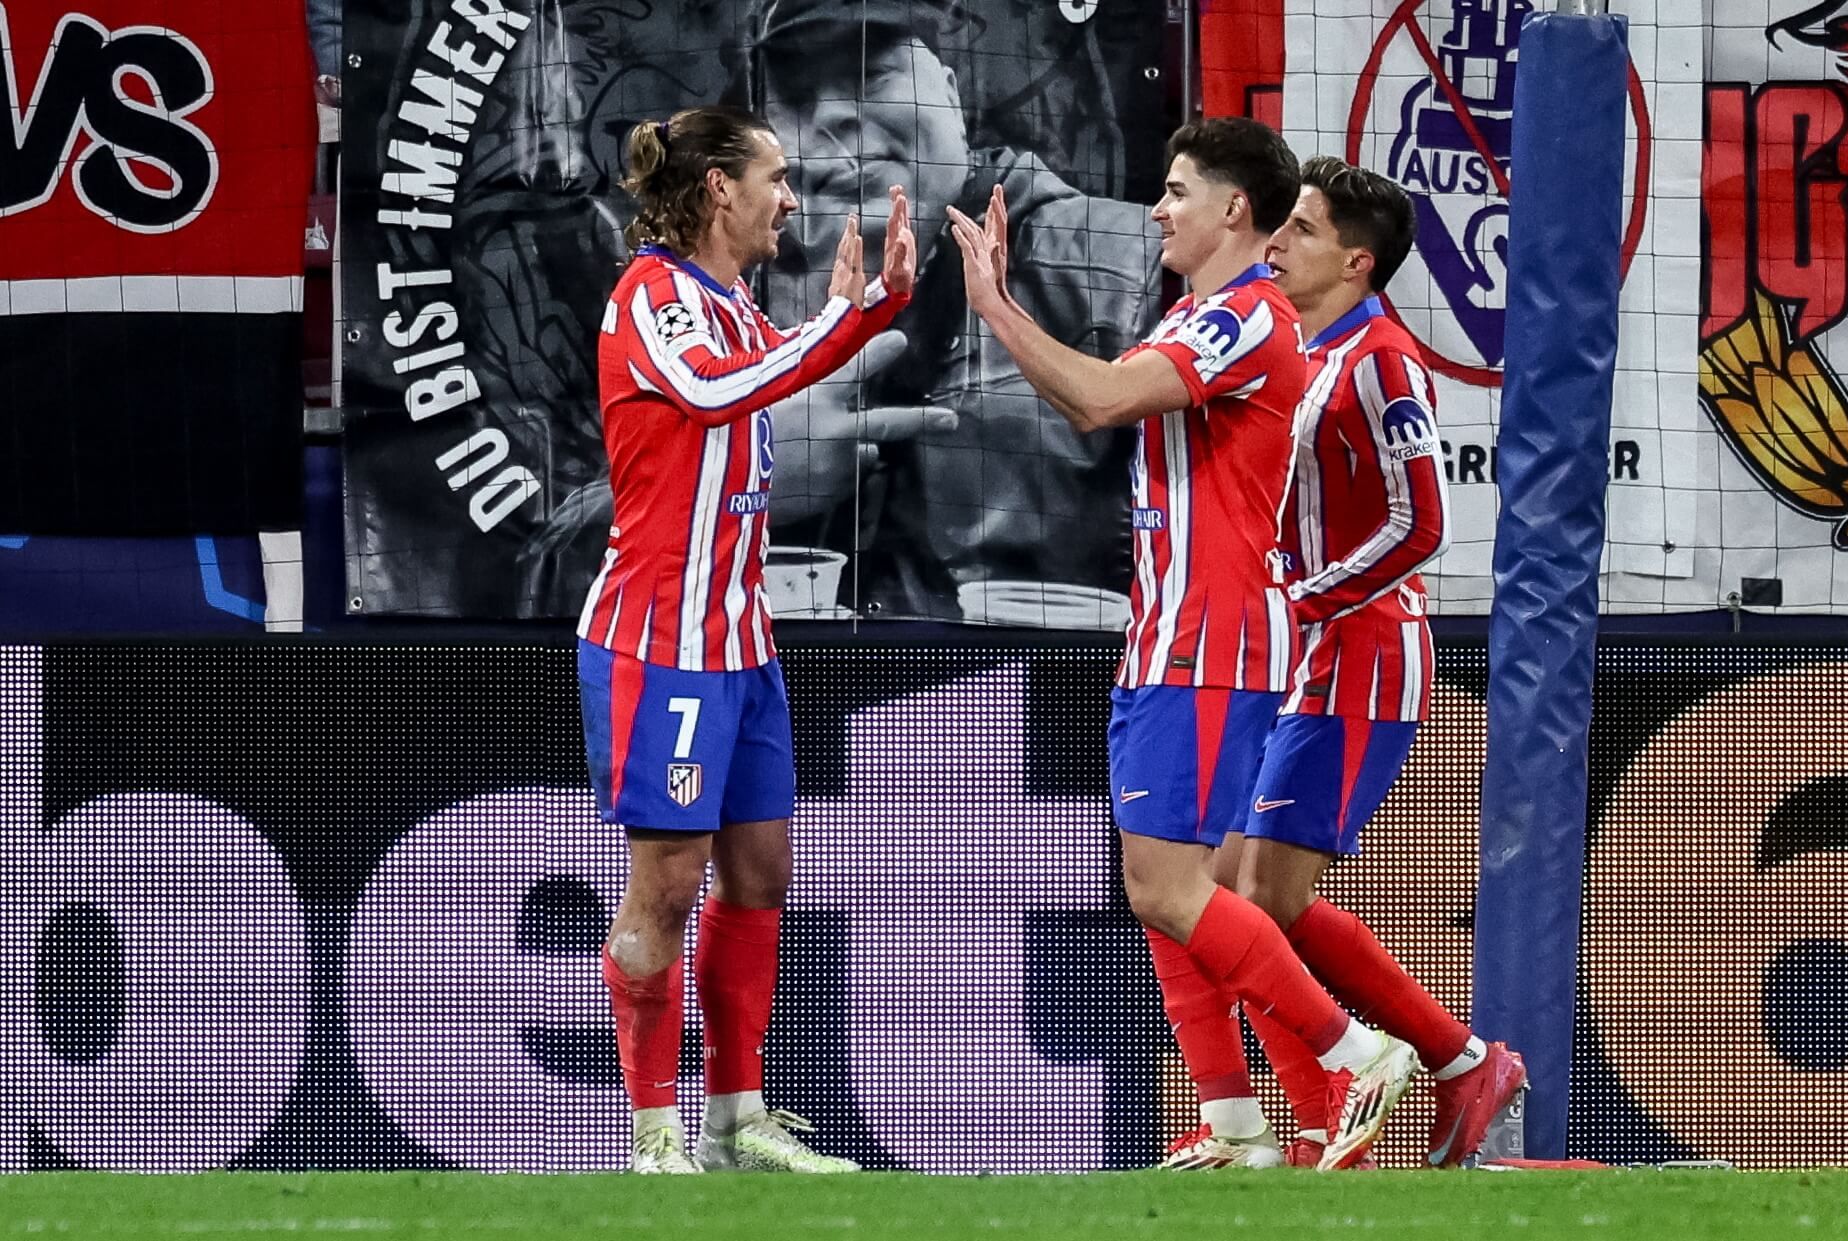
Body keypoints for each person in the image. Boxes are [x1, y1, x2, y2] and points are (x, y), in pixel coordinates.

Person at [945, 117, 1419, 1171]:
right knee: (1168, 888)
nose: (1155, 208)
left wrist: (994, 306)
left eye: (1174, 190)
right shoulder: (1209, 313)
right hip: (1173, 629)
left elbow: (1099, 399)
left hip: (1208, 636)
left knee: (1167, 886)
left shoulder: (1244, 317)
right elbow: (1097, 402)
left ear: (1231, 211)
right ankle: (1240, 1126)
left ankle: (1353, 1053)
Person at [1168, 156, 1527, 1169]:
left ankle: (1450, 1063)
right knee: (1239, 897)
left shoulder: (1381, 360)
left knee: (1254, 901)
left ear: (1356, 262)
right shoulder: (1297, 346)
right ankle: (1347, 1109)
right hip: (1299, 656)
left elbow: (1423, 525)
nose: (1276, 244)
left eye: (1304, 231)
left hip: (1358, 656)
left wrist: (1304, 598)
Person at [581, 104, 915, 1174]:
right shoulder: (651, 296)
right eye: (777, 175)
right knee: (667, 886)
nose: (793, 197)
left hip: (741, 639)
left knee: (760, 873)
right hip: (660, 639)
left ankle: (737, 1117)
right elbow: (718, 390)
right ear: (718, 188)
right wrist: (837, 320)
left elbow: (773, 364)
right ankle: (651, 1132)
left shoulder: (726, 301)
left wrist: (875, 310)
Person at [753, 0, 1158, 618]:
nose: (832, 113)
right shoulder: (720, 298)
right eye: (798, 95)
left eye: (871, 74)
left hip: (1041, 696)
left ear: (949, 93)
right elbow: (576, 545)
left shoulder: (1126, 265)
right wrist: (740, 472)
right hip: (791, 691)